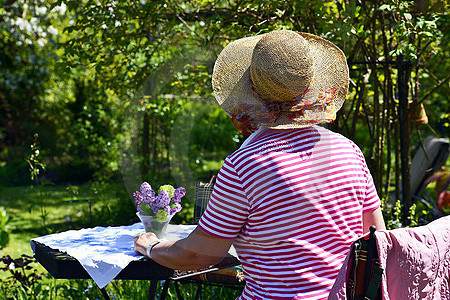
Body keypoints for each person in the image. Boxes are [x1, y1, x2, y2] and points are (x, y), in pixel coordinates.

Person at [134, 29, 386, 299]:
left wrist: (152, 246)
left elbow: (199, 253)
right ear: (310, 86)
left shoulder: (245, 165)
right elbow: (376, 237)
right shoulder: (348, 151)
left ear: (251, 89)